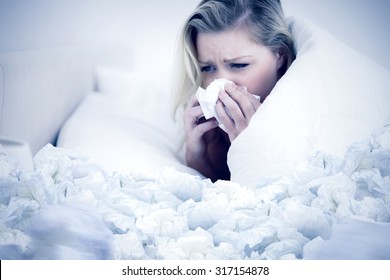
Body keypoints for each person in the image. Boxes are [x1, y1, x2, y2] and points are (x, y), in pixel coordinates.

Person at [172, 0, 295, 182]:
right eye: (207, 68)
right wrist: (197, 158)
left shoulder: (306, 121)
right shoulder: (210, 132)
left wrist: (254, 150)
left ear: (280, 55)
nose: (221, 83)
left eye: (239, 65)